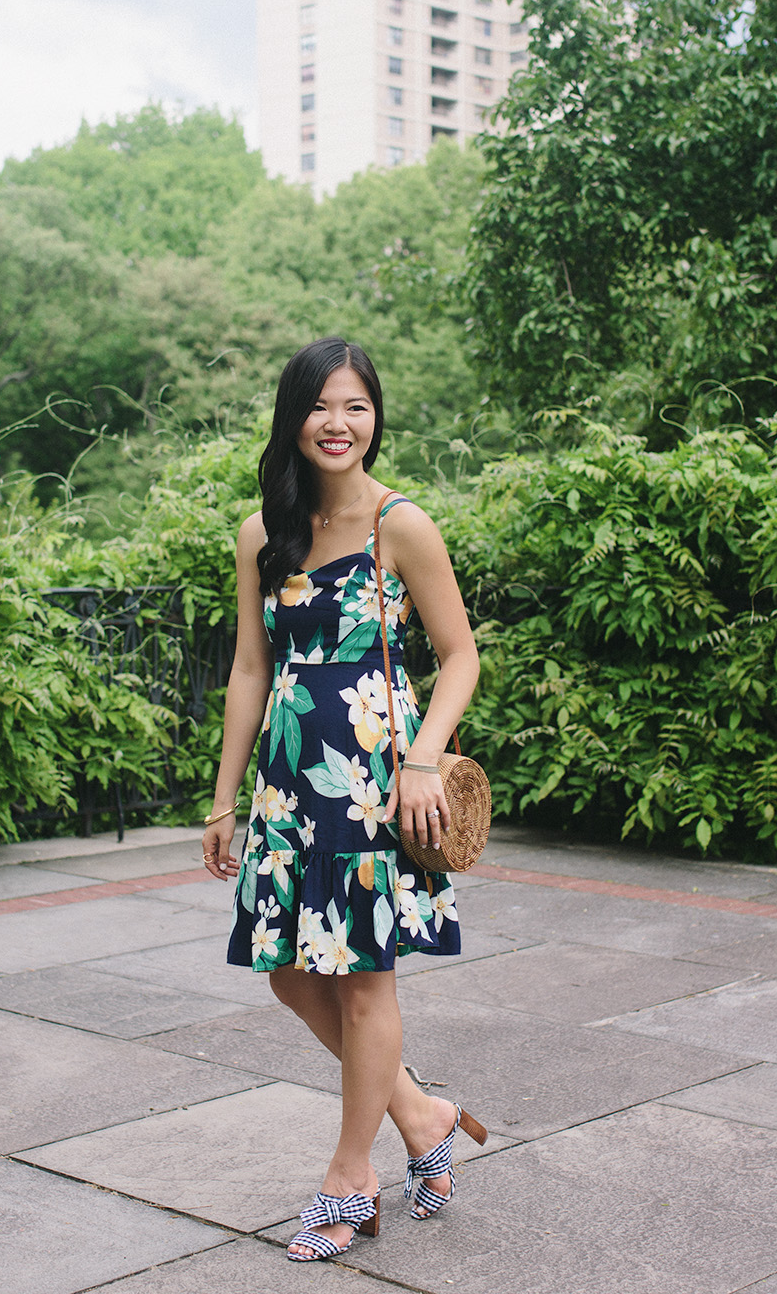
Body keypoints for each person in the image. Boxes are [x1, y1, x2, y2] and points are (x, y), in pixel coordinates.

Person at [202, 337, 485, 1262]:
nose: (338, 423)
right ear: (293, 418)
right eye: (321, 406)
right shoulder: (262, 533)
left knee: (365, 982)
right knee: (290, 970)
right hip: (289, 785)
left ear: (375, 418)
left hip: (374, 784)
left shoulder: (399, 524)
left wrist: (423, 758)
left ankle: (349, 1174)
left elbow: (459, 656)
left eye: (356, 406)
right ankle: (423, 1113)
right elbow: (251, 669)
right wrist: (222, 801)